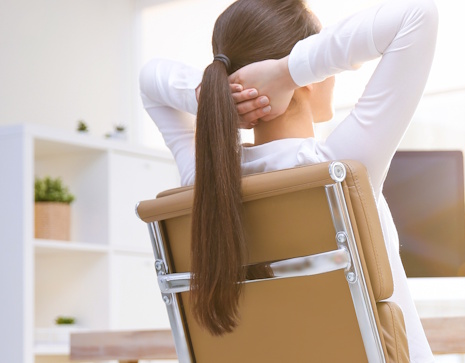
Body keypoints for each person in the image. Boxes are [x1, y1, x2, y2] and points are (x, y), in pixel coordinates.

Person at [139, 0, 438, 361]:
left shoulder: (206, 184)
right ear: (308, 75)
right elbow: (418, 15)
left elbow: (150, 81)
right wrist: (289, 72)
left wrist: (214, 94)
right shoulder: (337, 169)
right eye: (320, 54)